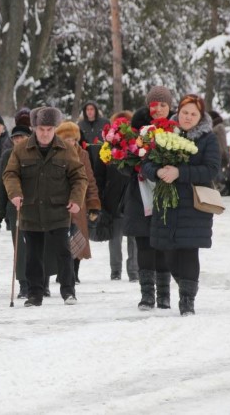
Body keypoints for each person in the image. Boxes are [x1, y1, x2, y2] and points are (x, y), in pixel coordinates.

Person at [141, 94, 220, 316]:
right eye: (185, 112)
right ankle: (183, 286)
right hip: (166, 203)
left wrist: (180, 172)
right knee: (166, 251)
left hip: (193, 204)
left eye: (193, 114)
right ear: (179, 112)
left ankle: (187, 300)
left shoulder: (208, 139)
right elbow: (146, 163)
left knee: (188, 251)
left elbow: (212, 169)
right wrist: (157, 172)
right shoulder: (164, 132)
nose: (188, 117)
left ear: (200, 116)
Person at [3, 106, 88, 307]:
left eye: (49, 129)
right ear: (34, 128)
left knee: (63, 252)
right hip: (30, 210)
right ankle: (35, 294)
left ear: (55, 129)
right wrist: (15, 193)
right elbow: (10, 174)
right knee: (33, 255)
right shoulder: (21, 149)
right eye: (41, 128)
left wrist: (76, 199)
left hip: (58, 209)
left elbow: (79, 176)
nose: (45, 133)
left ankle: (68, 291)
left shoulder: (66, 149)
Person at [123, 86, 173, 310]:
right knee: (143, 244)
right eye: (155, 104)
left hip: (166, 195)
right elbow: (122, 167)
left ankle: (164, 295)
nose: (159, 109)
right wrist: (131, 163)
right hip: (139, 195)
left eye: (163, 105)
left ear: (170, 107)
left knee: (163, 245)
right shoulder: (134, 131)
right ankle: (147, 295)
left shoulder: (176, 130)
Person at [54, 121, 101, 283]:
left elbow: (90, 180)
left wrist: (94, 203)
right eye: (67, 140)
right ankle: (62, 272)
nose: (71, 143)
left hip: (79, 203)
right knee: (60, 238)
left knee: (77, 237)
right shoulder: (54, 154)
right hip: (59, 202)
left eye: (73, 139)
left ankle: (74, 272)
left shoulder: (83, 155)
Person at [95, 110, 139, 282]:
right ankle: (115, 270)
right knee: (115, 237)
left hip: (133, 196)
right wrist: (100, 196)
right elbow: (99, 175)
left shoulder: (136, 147)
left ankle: (134, 270)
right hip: (112, 198)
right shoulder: (106, 148)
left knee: (133, 237)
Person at [0, 122, 32, 298]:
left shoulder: (37, 154)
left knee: (38, 245)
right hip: (14, 207)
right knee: (20, 247)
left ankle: (41, 282)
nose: (19, 140)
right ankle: (24, 283)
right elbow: (2, 184)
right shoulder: (8, 155)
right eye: (16, 137)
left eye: (22, 136)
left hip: (37, 207)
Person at [208, 111, 230, 196]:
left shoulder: (219, 127)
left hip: (219, 153)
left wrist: (225, 153)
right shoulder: (217, 127)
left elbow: (223, 142)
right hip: (218, 153)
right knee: (219, 173)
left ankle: (224, 188)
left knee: (219, 174)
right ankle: (223, 188)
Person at [78, 101, 110, 168]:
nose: (89, 111)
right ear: (85, 111)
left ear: (96, 110)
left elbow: (110, 139)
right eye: (87, 109)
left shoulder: (105, 122)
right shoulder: (80, 125)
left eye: (92, 109)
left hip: (102, 156)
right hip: (87, 158)